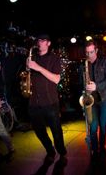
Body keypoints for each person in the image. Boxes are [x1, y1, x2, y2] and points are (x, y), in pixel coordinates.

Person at [27, 33, 67, 164]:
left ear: (48, 43)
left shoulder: (54, 58)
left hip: (50, 102)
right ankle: (50, 151)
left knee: (56, 131)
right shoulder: (33, 57)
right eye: (38, 40)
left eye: (42, 40)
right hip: (33, 102)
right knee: (39, 132)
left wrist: (37, 67)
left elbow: (56, 79)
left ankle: (62, 153)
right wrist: (28, 68)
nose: (39, 42)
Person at [79, 40, 106, 159]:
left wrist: (96, 86)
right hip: (91, 101)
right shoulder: (84, 65)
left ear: (96, 50)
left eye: (92, 52)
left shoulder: (104, 62)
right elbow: (81, 82)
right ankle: (94, 149)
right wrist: (85, 90)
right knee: (93, 127)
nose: (89, 55)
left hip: (104, 99)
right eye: (87, 52)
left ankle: (102, 146)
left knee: (103, 126)